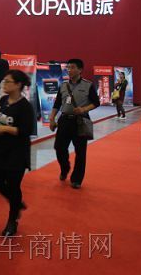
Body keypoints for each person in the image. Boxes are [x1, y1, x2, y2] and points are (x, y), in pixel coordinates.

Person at [0, 70, 33, 237]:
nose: (4, 84)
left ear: (18, 85)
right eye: (4, 81)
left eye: (8, 81)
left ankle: (12, 221)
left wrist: (4, 129)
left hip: (16, 153)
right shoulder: (3, 100)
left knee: (13, 186)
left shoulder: (25, 107)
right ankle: (17, 203)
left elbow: (26, 131)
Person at [49, 59, 100, 189]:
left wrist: (84, 109)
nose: (69, 70)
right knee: (59, 148)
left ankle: (76, 179)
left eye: (72, 67)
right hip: (64, 120)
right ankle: (65, 168)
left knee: (80, 152)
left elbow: (96, 102)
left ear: (80, 70)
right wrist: (52, 118)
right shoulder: (63, 85)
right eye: (68, 68)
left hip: (80, 121)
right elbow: (57, 104)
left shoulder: (88, 85)